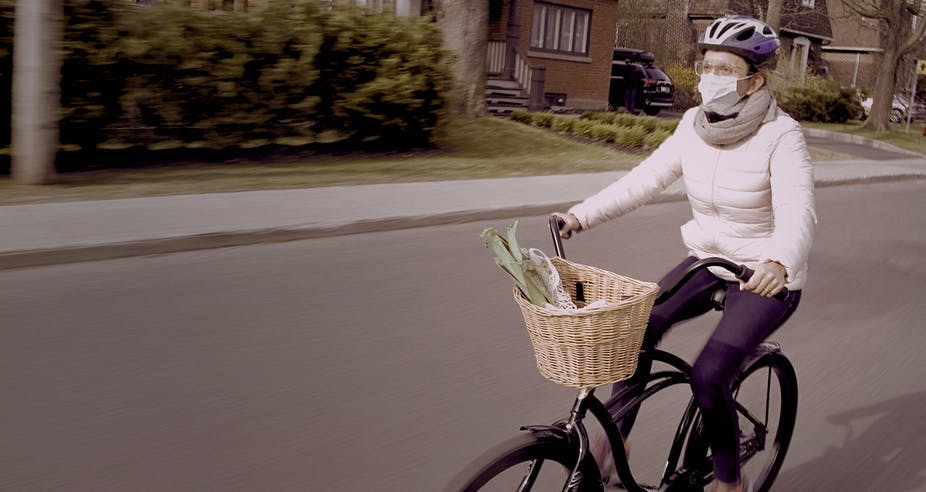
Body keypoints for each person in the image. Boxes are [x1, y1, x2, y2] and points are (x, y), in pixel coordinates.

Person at [554, 16, 815, 492]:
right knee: (635, 332)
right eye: (706, 66)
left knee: (709, 373)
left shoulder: (782, 135)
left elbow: (798, 209)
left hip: (764, 275)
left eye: (725, 69)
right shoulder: (694, 127)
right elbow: (644, 180)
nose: (710, 77)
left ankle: (729, 480)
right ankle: (616, 443)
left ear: (754, 80)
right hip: (708, 260)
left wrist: (779, 262)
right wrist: (580, 215)